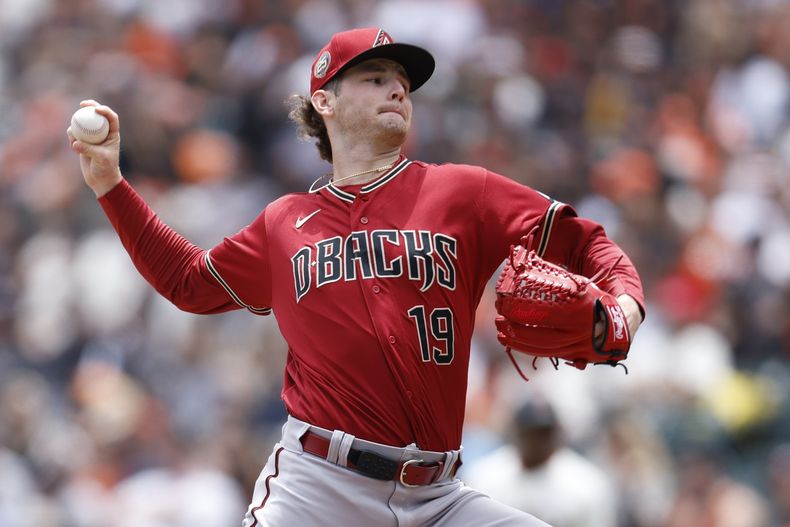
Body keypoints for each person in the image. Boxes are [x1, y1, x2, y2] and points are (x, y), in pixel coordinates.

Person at [67, 27, 644, 526]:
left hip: (439, 497)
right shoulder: (283, 222)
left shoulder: (463, 192)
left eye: (402, 80)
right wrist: (111, 186)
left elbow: (585, 240)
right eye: (374, 77)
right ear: (326, 101)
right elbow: (190, 282)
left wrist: (626, 307)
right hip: (319, 489)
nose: (398, 87)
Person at [463, 398, 619, 527]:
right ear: (516, 432)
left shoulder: (587, 484)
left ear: (557, 434)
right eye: (530, 433)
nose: (536, 441)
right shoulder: (485, 475)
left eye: (543, 434)